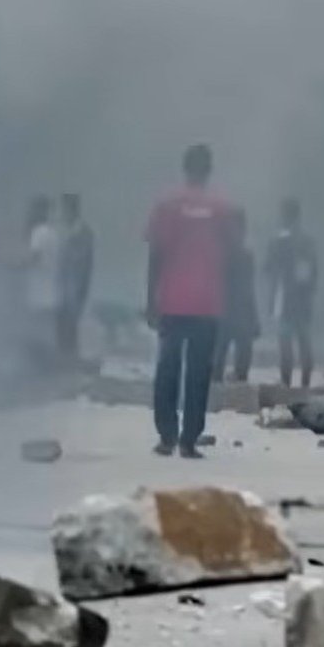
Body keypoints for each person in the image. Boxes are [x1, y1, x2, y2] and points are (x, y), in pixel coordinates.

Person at [146, 144, 231, 459]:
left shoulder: (167, 205)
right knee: (198, 373)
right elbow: (232, 257)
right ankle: (189, 440)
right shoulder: (222, 209)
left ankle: (166, 435)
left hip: (172, 299)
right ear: (208, 170)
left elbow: (155, 254)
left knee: (167, 368)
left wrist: (150, 298)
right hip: (207, 302)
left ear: (185, 168)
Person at [267, 197, 319, 388]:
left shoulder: (277, 242)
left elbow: (268, 269)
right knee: (305, 343)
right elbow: (313, 273)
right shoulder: (307, 242)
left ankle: (286, 385)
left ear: (283, 216)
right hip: (303, 300)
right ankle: (305, 385)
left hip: (285, 300)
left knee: (286, 345)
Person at [215, 208, 259, 383]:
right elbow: (248, 289)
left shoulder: (239, 255)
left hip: (229, 313)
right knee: (226, 359)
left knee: (223, 360)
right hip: (230, 313)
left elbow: (248, 288)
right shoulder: (242, 256)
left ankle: (220, 395)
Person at [22, 195, 61, 372]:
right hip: (50, 290)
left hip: (38, 291)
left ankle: (39, 368)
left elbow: (34, 258)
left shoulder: (38, 233)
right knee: (45, 332)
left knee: (37, 332)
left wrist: (12, 265)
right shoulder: (52, 232)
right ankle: (47, 367)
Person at [57, 193, 95, 363]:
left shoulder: (81, 231)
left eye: (64, 210)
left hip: (76, 284)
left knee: (69, 322)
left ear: (71, 210)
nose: (62, 215)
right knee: (66, 322)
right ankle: (66, 356)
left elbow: (82, 261)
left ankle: (69, 358)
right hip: (69, 283)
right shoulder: (72, 230)